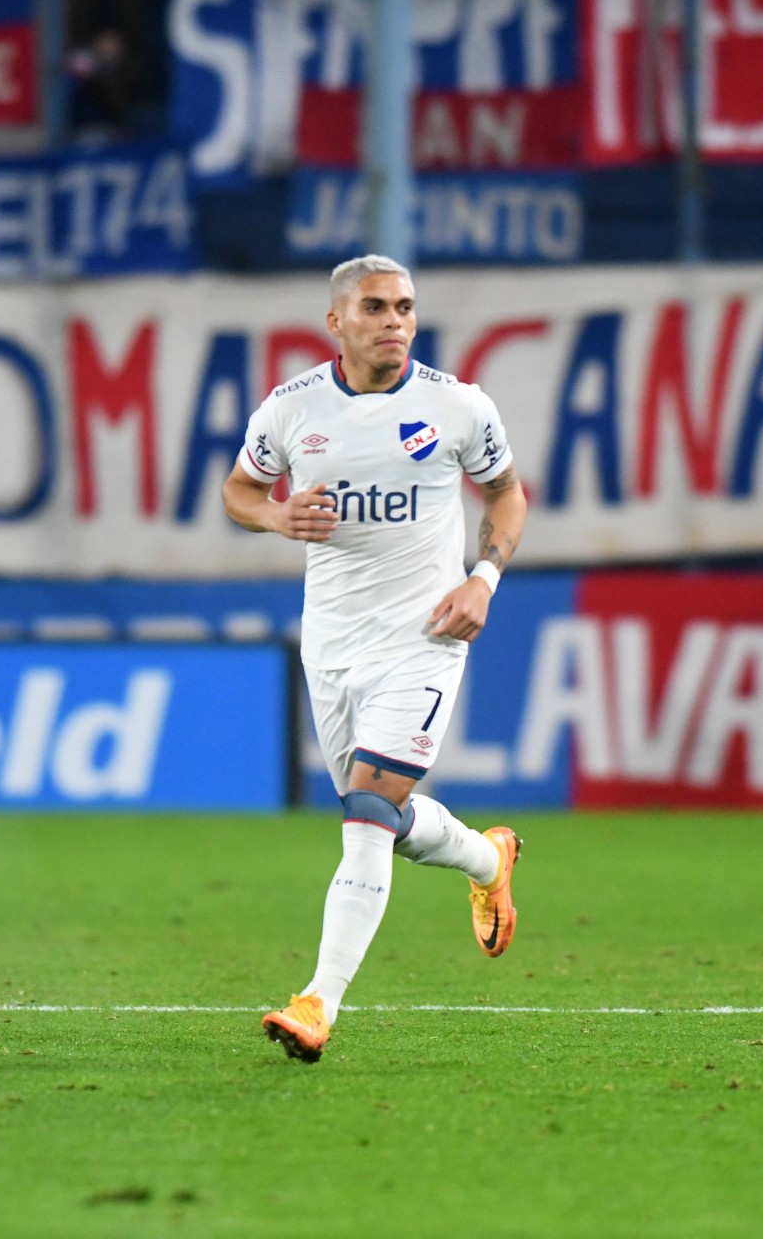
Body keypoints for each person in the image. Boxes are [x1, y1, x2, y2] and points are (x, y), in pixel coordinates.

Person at [223, 254, 529, 1063]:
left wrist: (484, 578)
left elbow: (507, 494)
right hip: (331, 642)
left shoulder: (456, 405)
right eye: (376, 308)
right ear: (337, 323)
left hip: (425, 637)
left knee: (364, 813)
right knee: (382, 824)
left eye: (405, 307)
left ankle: (318, 1002)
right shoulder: (291, 411)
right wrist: (279, 517)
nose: (395, 321)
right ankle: (486, 856)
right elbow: (238, 492)